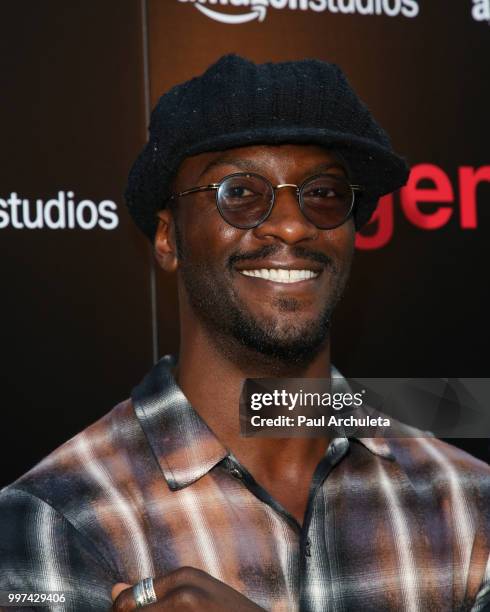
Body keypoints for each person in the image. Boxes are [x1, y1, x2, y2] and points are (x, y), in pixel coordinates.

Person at [1, 54, 490, 612]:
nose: (291, 223)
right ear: (168, 238)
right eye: (240, 192)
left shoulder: (468, 506)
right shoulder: (56, 519)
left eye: (325, 193)